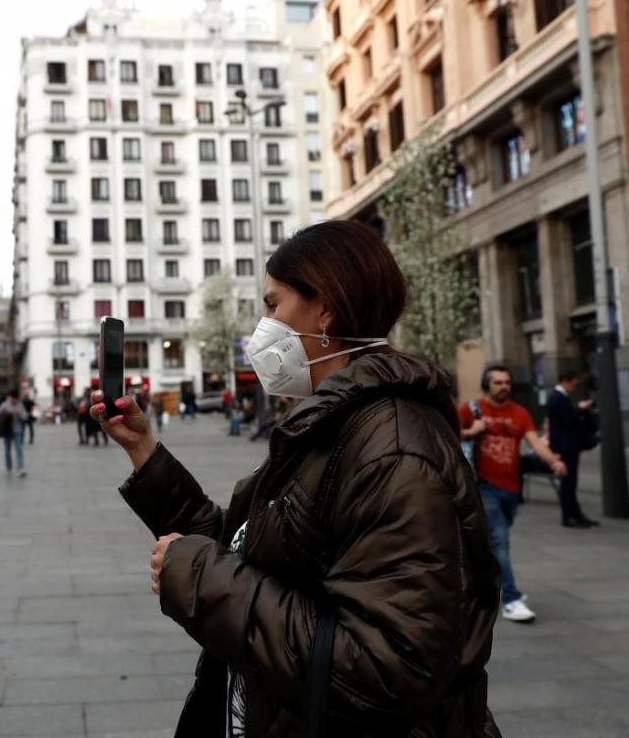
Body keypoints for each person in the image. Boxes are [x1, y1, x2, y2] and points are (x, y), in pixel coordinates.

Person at [91, 220, 502, 736]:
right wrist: (144, 452)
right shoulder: (336, 424)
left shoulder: (393, 447)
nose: (263, 324)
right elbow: (252, 553)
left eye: (272, 304)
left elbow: (387, 666)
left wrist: (197, 575)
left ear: (325, 308)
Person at [461, 365, 567, 623]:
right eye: (498, 382)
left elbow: (534, 442)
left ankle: (479, 586)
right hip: (483, 486)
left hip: (510, 489)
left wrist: (553, 461)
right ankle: (511, 598)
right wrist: (472, 430)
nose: (504, 386)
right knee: (499, 540)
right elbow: (445, 437)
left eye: (507, 382)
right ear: (487, 385)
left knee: (494, 542)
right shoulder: (470, 409)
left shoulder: (519, 413)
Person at [546, 371, 600, 528]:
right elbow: (567, 420)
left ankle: (575, 514)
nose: (574, 388)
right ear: (566, 381)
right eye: (573, 384)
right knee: (568, 483)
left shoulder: (558, 397)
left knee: (570, 483)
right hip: (565, 446)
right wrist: (579, 408)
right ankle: (569, 516)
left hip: (567, 445)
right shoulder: (557, 398)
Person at [0, 389, 28, 478]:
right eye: (11, 398)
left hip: (17, 430)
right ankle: (8, 466)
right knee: (7, 450)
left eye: (15, 398)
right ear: (9, 397)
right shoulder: (4, 405)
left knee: (19, 449)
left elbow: (25, 416)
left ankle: (20, 467)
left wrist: (19, 414)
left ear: (17, 398)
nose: (13, 400)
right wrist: (6, 414)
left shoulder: (20, 405)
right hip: (7, 431)